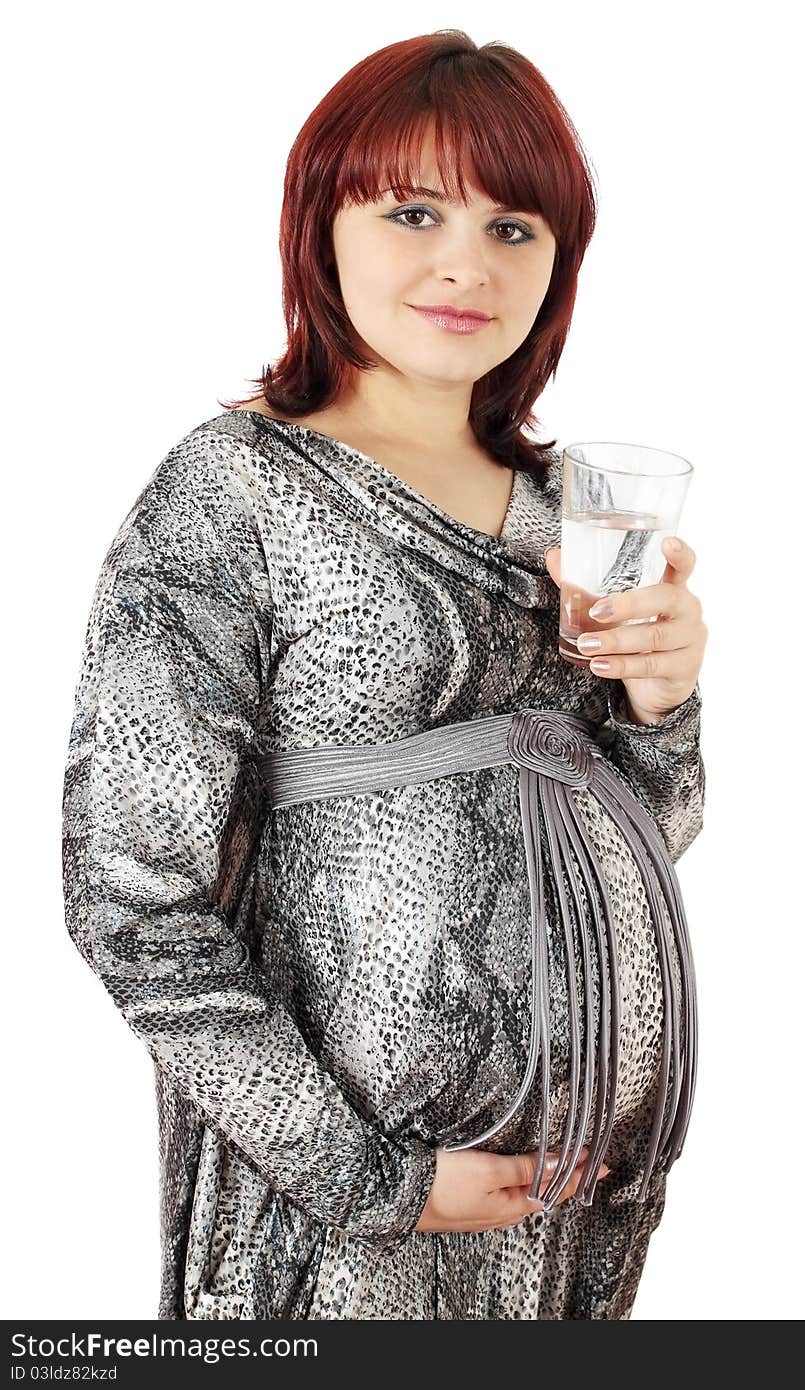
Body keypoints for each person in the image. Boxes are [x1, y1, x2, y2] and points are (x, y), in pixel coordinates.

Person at [61, 29, 707, 1321]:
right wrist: (369, 1174)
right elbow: (128, 896)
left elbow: (644, 836)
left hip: (575, 1211)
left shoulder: (569, 510)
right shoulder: (233, 486)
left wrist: (666, 698)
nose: (465, 262)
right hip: (335, 1225)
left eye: (515, 226)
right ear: (323, 220)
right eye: (414, 210)